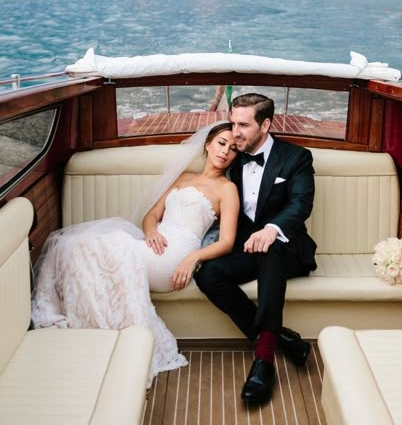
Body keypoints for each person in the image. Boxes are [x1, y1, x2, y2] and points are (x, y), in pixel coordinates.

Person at [32, 122, 239, 384]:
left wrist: (192, 258)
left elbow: (227, 241)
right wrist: (151, 231)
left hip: (175, 256)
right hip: (154, 242)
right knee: (72, 245)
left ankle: (87, 329)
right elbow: (151, 216)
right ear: (208, 144)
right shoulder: (184, 177)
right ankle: (80, 325)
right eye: (222, 143)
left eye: (233, 149)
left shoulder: (227, 189)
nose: (226, 152)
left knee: (81, 245)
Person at [195, 93, 317, 403]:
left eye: (243, 125)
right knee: (208, 274)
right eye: (233, 123)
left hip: (287, 250)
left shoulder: (296, 157)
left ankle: (264, 361)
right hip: (245, 249)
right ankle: (282, 339)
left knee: (271, 248)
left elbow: (301, 204)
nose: (235, 133)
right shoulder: (234, 157)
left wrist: (271, 229)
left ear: (265, 124)